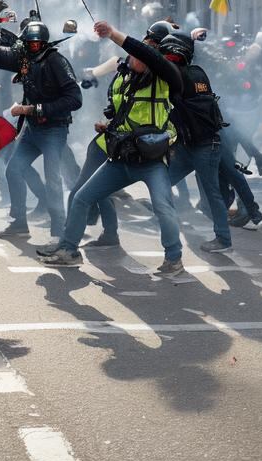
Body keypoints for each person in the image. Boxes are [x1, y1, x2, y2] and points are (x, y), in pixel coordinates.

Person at [39, 20, 185, 276]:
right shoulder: (126, 78)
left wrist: (114, 34)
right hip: (121, 157)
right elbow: (120, 112)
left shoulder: (167, 76)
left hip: (151, 159)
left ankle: (174, 259)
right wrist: (107, 125)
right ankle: (68, 250)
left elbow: (150, 56)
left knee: (163, 206)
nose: (132, 57)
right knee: (82, 198)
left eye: (140, 52)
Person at [0, 0, 83, 243]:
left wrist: (33, 108)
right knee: (14, 170)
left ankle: (60, 236)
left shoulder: (56, 61)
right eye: (28, 43)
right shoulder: (23, 58)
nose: (32, 48)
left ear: (43, 44)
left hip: (54, 130)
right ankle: (20, 223)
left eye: (36, 44)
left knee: (53, 180)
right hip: (33, 130)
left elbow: (75, 99)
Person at [161, 30, 233, 253]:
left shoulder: (179, 77)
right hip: (188, 145)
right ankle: (169, 223)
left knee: (212, 194)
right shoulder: (197, 72)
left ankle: (223, 239)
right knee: (162, 182)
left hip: (204, 146)